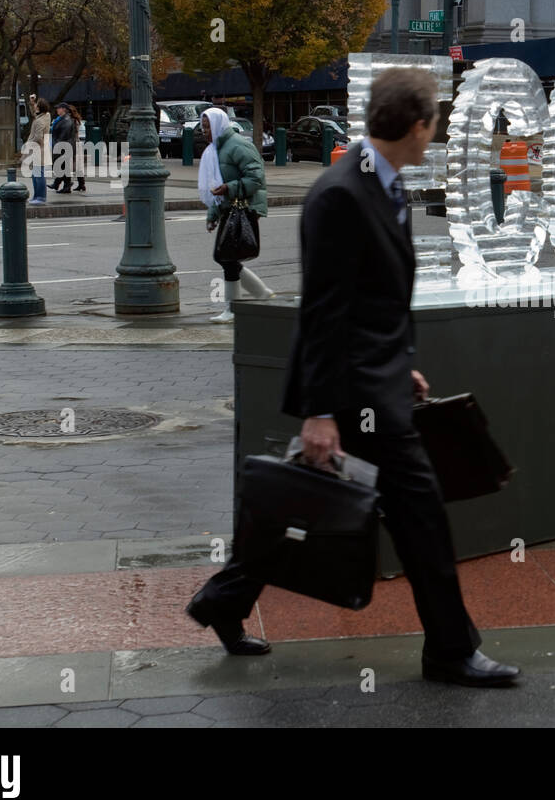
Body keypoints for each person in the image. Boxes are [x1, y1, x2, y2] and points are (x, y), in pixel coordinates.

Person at [187, 68, 520, 687]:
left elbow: (371, 300)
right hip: (350, 394)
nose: (434, 135)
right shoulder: (341, 194)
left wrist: (401, 363)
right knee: (419, 516)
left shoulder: (381, 184)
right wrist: (318, 412)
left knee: (304, 502)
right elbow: (323, 310)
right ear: (417, 126)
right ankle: (450, 650)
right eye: (433, 125)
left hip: (375, 382)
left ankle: (222, 601)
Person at [199, 108, 273, 323]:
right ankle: (259, 294)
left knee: (226, 257)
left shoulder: (238, 146)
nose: (205, 132)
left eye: (207, 127)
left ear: (218, 125)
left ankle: (236, 307)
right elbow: (216, 187)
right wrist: (212, 214)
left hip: (244, 206)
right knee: (226, 257)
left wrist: (229, 188)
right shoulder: (216, 150)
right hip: (231, 207)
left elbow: (256, 177)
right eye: (202, 127)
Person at [26, 98, 51, 204]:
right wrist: (32, 103)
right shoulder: (46, 116)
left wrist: (31, 142)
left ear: (40, 108)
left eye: (37, 105)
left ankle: (40, 197)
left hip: (37, 150)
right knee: (36, 174)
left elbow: (38, 137)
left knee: (38, 175)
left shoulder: (40, 121)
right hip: (41, 149)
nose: (35, 107)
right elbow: (35, 114)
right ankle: (37, 196)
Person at [49, 101, 75, 194]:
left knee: (62, 167)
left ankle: (62, 185)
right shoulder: (60, 119)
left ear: (64, 109)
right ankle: (66, 186)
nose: (57, 109)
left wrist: (58, 145)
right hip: (62, 145)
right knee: (64, 167)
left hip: (63, 146)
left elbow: (64, 135)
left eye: (58, 108)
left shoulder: (66, 120)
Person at [68, 104, 85, 192]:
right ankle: (81, 184)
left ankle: (77, 184)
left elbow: (73, 133)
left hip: (74, 143)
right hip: (76, 143)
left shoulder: (73, 121)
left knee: (73, 164)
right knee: (78, 165)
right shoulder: (75, 120)